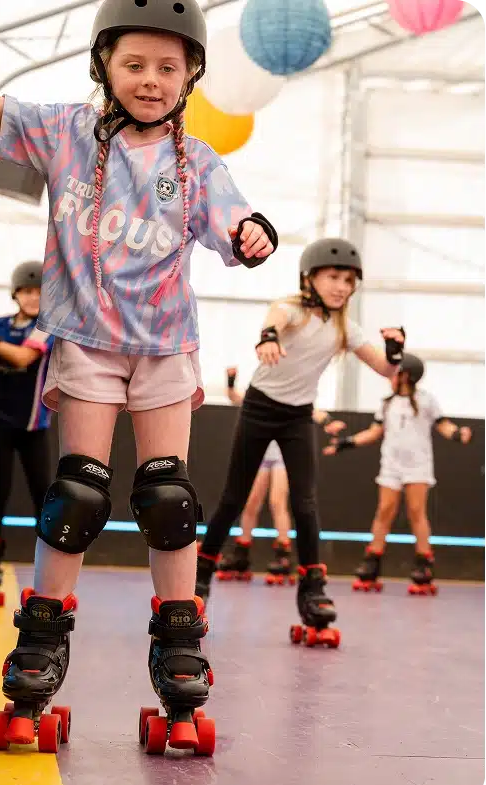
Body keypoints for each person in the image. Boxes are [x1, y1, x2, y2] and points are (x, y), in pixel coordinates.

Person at [0, 0, 277, 753]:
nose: (151, 80)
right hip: (86, 342)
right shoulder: (63, 132)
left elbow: (239, 231)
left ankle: (179, 648)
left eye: (168, 68)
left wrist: (253, 236)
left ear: (190, 78)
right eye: (135, 64)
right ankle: (40, 648)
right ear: (105, 68)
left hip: (165, 348)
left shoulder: (198, 163)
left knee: (168, 496)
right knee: (76, 493)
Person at [195, 237, 406, 649]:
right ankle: (202, 574)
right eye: (333, 277)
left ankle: (312, 588)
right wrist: (268, 335)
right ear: (310, 277)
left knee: (305, 502)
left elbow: (385, 371)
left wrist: (395, 352)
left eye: (348, 280)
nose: (342, 286)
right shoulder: (293, 309)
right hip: (259, 408)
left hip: (297, 416)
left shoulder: (346, 328)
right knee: (234, 497)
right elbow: (278, 315)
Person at [323, 352, 472, 596]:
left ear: (406, 376)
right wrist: (344, 444)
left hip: (418, 466)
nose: (390, 376)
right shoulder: (387, 403)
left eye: (395, 372)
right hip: (391, 465)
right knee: (384, 511)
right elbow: (373, 433)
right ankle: (372, 561)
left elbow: (443, 425)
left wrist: (458, 434)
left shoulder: (426, 401)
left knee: (416, 512)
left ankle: (424, 563)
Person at [0, 262, 54, 606]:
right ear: (16, 293)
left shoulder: (46, 326)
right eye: (27, 291)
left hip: (33, 425)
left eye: (38, 292)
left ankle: (49, 571)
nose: (33, 298)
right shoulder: (1, 324)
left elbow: (21, 358)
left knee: (43, 498)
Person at [218, 366, 346, 586]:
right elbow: (236, 397)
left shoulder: (292, 394)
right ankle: (241, 553)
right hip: (262, 453)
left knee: (278, 501)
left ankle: (283, 553)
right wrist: (231, 381)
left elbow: (314, 412)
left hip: (281, 454)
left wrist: (329, 423)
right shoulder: (260, 393)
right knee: (250, 503)